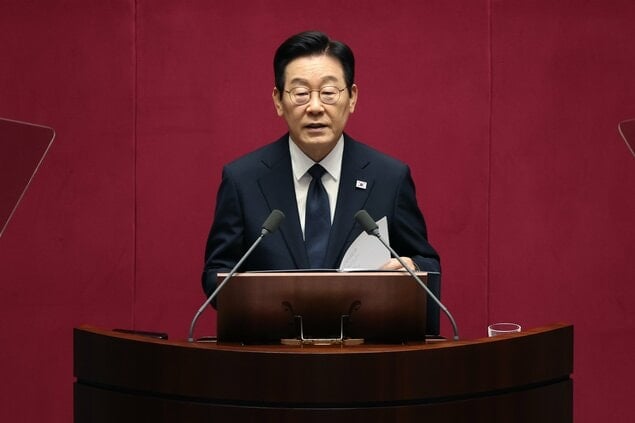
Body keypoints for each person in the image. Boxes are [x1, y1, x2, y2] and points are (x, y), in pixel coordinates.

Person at [202, 30, 440, 296]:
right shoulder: (243, 180)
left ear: (352, 98)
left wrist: (412, 267)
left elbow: (427, 265)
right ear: (278, 101)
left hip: (363, 323)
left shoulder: (389, 178)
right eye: (301, 93)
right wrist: (260, 296)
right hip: (273, 323)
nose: (315, 107)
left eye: (328, 92)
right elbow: (217, 274)